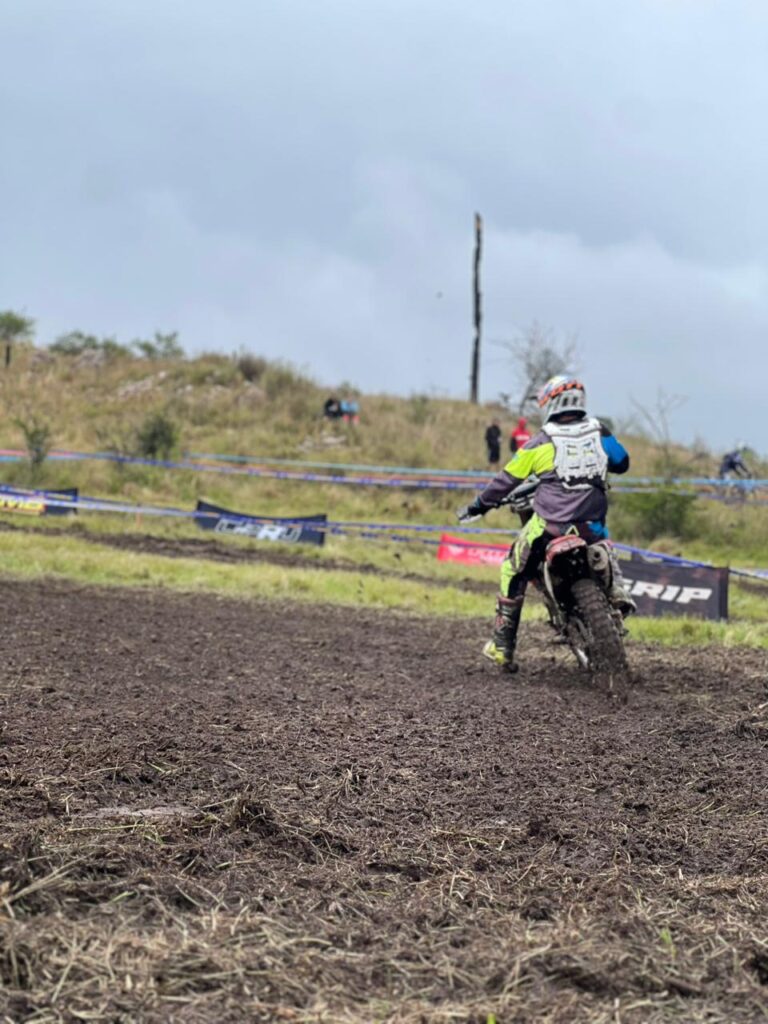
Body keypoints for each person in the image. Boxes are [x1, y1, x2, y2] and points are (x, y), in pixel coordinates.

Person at [457, 375, 634, 671]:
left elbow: (505, 481)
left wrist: (479, 505)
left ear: (551, 403)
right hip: (592, 526)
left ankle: (502, 646)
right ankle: (617, 592)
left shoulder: (540, 441)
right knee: (604, 544)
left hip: (552, 527)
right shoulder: (599, 431)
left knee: (512, 568)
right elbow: (622, 462)